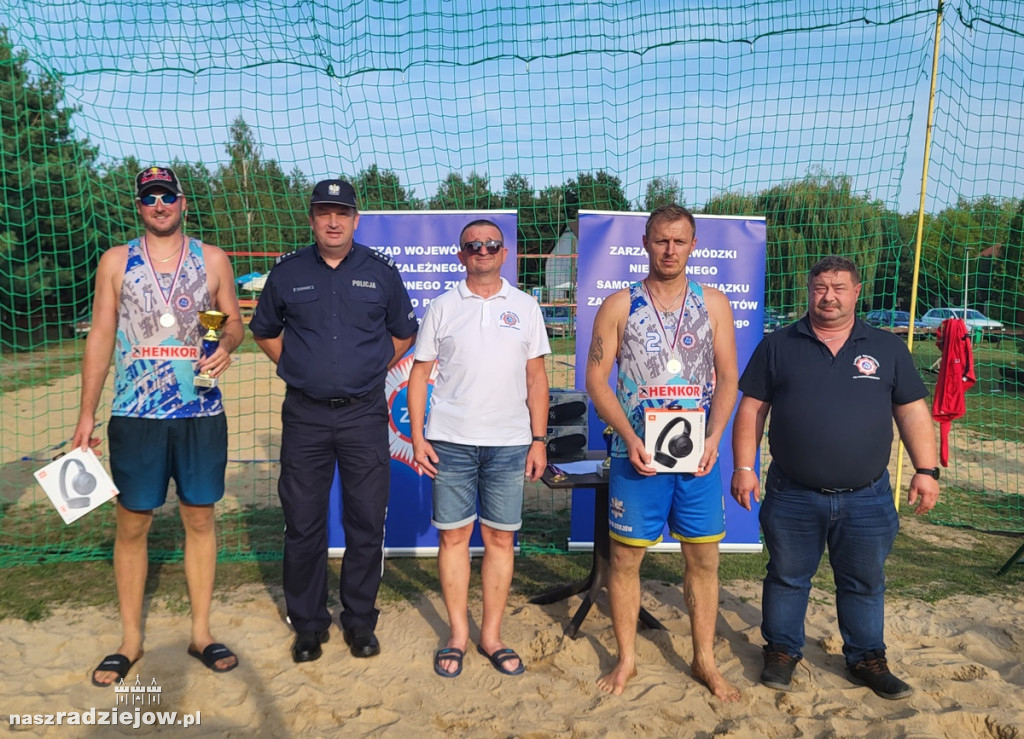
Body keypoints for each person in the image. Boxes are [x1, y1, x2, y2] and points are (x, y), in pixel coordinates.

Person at [730, 255, 940, 699]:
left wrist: (926, 469)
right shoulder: (777, 345)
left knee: (864, 582)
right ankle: (782, 652)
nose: (829, 296)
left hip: (867, 497)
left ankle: (866, 659)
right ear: (809, 291)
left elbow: (912, 411)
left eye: (839, 287)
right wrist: (744, 468)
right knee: (786, 576)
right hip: (792, 493)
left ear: (857, 292)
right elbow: (751, 410)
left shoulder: (886, 347)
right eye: (820, 287)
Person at [74, 166, 243, 686]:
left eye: (167, 195)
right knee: (133, 524)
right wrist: (86, 413)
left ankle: (201, 632)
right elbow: (101, 334)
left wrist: (227, 346)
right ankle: (130, 639)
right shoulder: (114, 261)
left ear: (183, 201)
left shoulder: (212, 259)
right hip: (135, 412)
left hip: (199, 412)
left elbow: (232, 320)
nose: (160, 204)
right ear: (139, 206)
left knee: (199, 520)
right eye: (150, 197)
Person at [249, 179, 417, 663]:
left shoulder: (381, 273)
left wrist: (369, 369)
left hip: (364, 414)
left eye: (342, 212)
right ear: (312, 218)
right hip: (305, 415)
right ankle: (308, 624)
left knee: (365, 521)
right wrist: (297, 369)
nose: (333, 221)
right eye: (324, 212)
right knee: (303, 523)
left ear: (355, 219)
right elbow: (264, 331)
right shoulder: (287, 272)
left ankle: (360, 621)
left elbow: (404, 334)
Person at [585, 204, 740, 700]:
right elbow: (595, 379)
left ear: (693, 245)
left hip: (697, 458)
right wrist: (629, 439)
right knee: (626, 561)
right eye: (660, 240)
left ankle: (705, 661)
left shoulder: (713, 303)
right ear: (645, 243)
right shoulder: (619, 305)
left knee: (704, 562)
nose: (670, 250)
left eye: (679, 241)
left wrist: (715, 437)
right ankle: (627, 660)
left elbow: (729, 378)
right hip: (638, 456)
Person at [407, 219, 550, 679]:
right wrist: (417, 436)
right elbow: (419, 374)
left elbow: (536, 378)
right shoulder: (442, 307)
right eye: (473, 246)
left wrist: (539, 439)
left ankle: (490, 636)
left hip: (510, 443)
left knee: (500, 539)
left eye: (491, 245)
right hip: (451, 442)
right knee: (452, 537)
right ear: (461, 254)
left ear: (504, 253)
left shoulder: (526, 307)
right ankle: (457, 635)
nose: (482, 251)